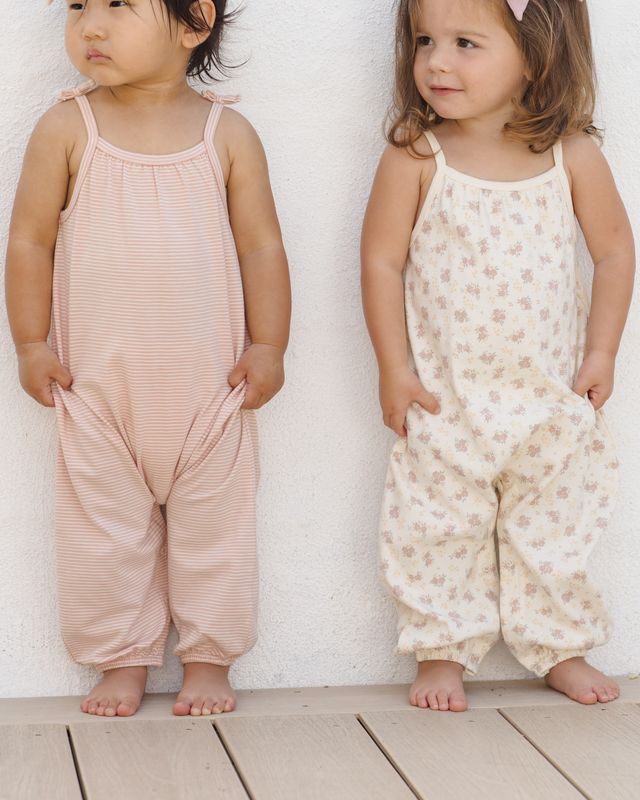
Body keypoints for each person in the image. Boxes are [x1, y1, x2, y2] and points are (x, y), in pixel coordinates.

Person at [5, 0, 291, 718]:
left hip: (210, 393)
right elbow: (30, 241)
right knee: (103, 533)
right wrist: (31, 342)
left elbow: (262, 246)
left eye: (119, 5)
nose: (90, 26)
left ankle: (209, 658)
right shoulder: (68, 128)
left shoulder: (228, 135)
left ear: (195, 23)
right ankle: (121, 659)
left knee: (216, 531)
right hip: (98, 391)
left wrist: (269, 344)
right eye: (78, 6)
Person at [361, 0, 634, 712]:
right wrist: (394, 368)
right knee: (436, 523)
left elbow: (614, 252)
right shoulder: (418, 156)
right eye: (425, 40)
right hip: (446, 400)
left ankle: (560, 646)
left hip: (548, 398)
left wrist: (602, 351)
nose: (436, 62)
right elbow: (381, 262)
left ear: (536, 56)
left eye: (465, 43)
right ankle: (442, 650)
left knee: (554, 528)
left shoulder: (572, 156)